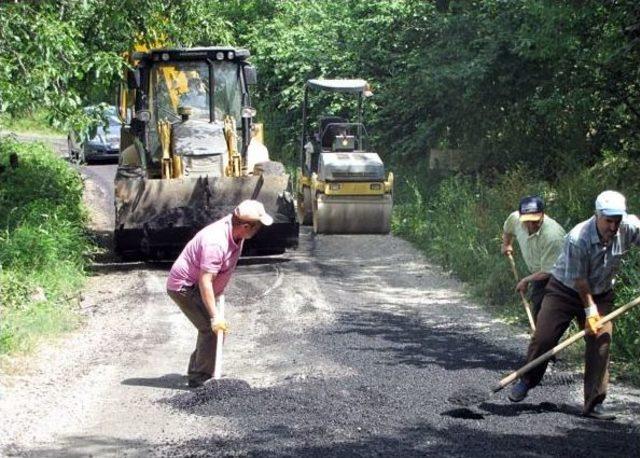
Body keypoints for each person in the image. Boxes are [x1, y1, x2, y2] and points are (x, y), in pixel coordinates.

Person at [508, 190, 640, 420]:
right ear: (597, 215)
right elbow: (580, 280)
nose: (613, 226)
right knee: (544, 337)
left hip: (601, 292)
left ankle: (594, 403)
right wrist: (590, 311)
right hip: (565, 291)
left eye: (617, 220)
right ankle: (527, 379)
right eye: (608, 220)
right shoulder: (578, 237)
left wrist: (595, 309)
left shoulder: (628, 227)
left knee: (601, 342)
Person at [166, 200, 273, 387]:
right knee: (213, 330)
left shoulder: (235, 228)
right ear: (246, 226)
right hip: (185, 287)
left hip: (196, 286)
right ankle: (200, 379)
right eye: (258, 227)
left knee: (212, 331)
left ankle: (199, 370)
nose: (259, 231)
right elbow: (205, 280)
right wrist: (215, 316)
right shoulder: (216, 242)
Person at [501, 196, 566, 322]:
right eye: (527, 220)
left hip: (559, 278)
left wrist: (525, 280)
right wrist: (507, 243)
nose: (531, 225)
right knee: (538, 311)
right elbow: (507, 230)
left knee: (548, 315)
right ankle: (540, 337)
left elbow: (548, 271)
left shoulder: (553, 236)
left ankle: (545, 337)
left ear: (542, 214)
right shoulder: (515, 219)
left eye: (535, 221)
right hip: (539, 275)